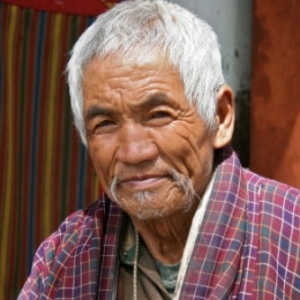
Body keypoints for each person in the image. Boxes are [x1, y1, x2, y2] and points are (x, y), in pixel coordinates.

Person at [18, 0, 300, 299]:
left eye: (159, 115)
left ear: (220, 117)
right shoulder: (67, 255)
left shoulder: (290, 234)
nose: (134, 152)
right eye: (105, 123)